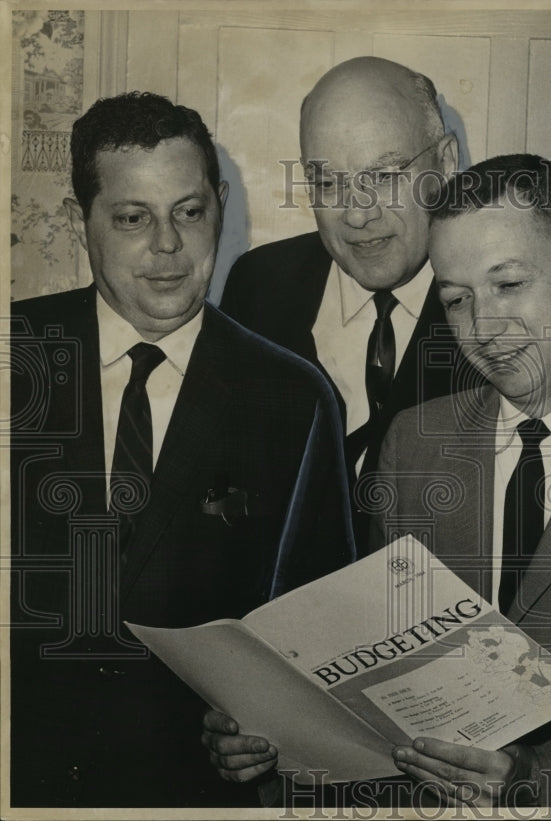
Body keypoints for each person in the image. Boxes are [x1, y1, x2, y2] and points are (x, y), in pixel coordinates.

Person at [204, 154, 551, 810]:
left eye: (509, 284)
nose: (484, 328)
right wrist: (272, 738)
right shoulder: (414, 446)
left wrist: (533, 778)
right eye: (457, 299)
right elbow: (376, 696)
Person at [220, 56, 551, 554]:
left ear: (444, 162)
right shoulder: (260, 285)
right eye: (328, 182)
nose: (357, 213)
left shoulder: (503, 311)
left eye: (386, 175)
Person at [8, 92, 354, 808]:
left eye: (189, 212)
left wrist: (268, 736)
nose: (168, 246)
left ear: (220, 205)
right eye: (133, 218)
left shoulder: (293, 397)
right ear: (81, 222)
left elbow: (324, 644)